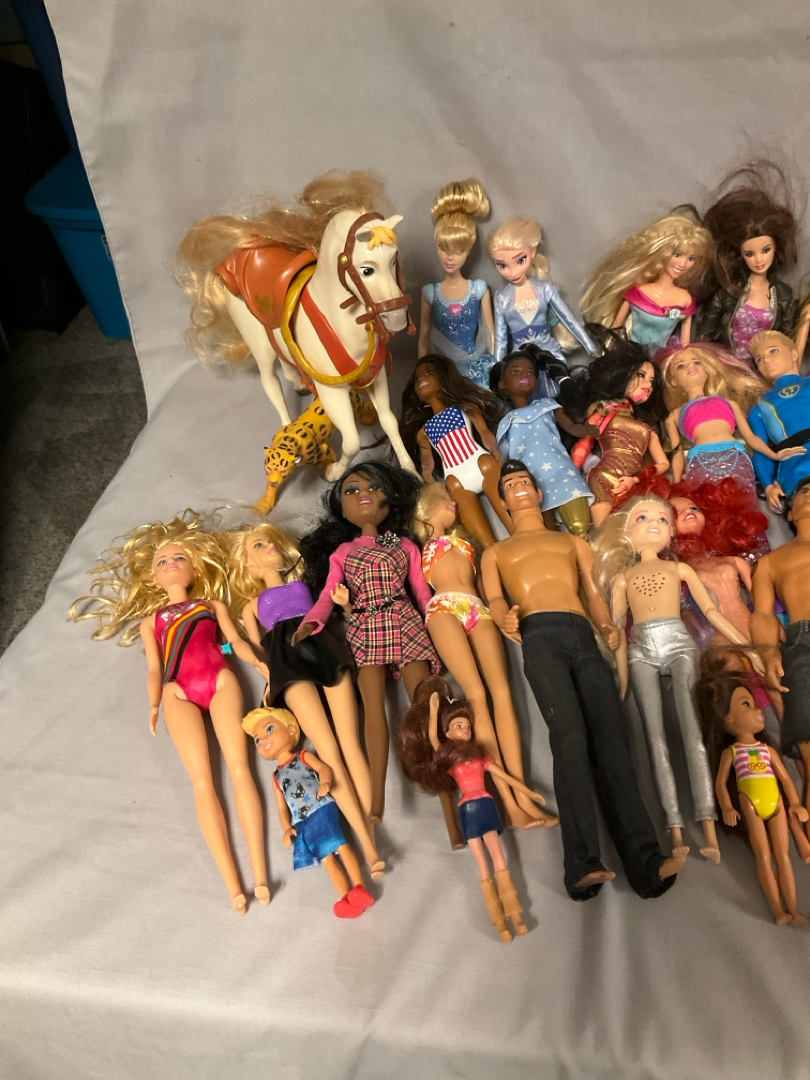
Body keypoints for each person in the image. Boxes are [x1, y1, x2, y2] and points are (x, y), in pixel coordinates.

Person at [480, 460, 683, 901]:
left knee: (613, 739)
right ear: (502, 501)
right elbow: (494, 598)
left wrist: (607, 624)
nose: (518, 488)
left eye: (524, 481)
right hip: (539, 635)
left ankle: (646, 861)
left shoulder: (571, 542)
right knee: (569, 738)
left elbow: (592, 591)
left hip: (583, 634)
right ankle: (582, 864)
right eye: (509, 485)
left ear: (539, 492)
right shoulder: (495, 552)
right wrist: (501, 615)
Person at [243, 707, 375, 919]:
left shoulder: (303, 756)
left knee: (339, 844)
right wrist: (287, 828)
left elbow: (323, 769)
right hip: (302, 822)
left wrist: (326, 782)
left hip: (321, 807)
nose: (264, 740)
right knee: (326, 857)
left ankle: (359, 886)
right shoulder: (276, 776)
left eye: (269, 729)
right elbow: (282, 808)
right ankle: (344, 896)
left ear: (291, 729)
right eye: (258, 740)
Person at [747, 331, 810, 513]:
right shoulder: (760, 406)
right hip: (796, 465)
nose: (766, 360)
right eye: (759, 359)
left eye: (773, 351)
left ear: (794, 353)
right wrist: (768, 486)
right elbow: (761, 450)